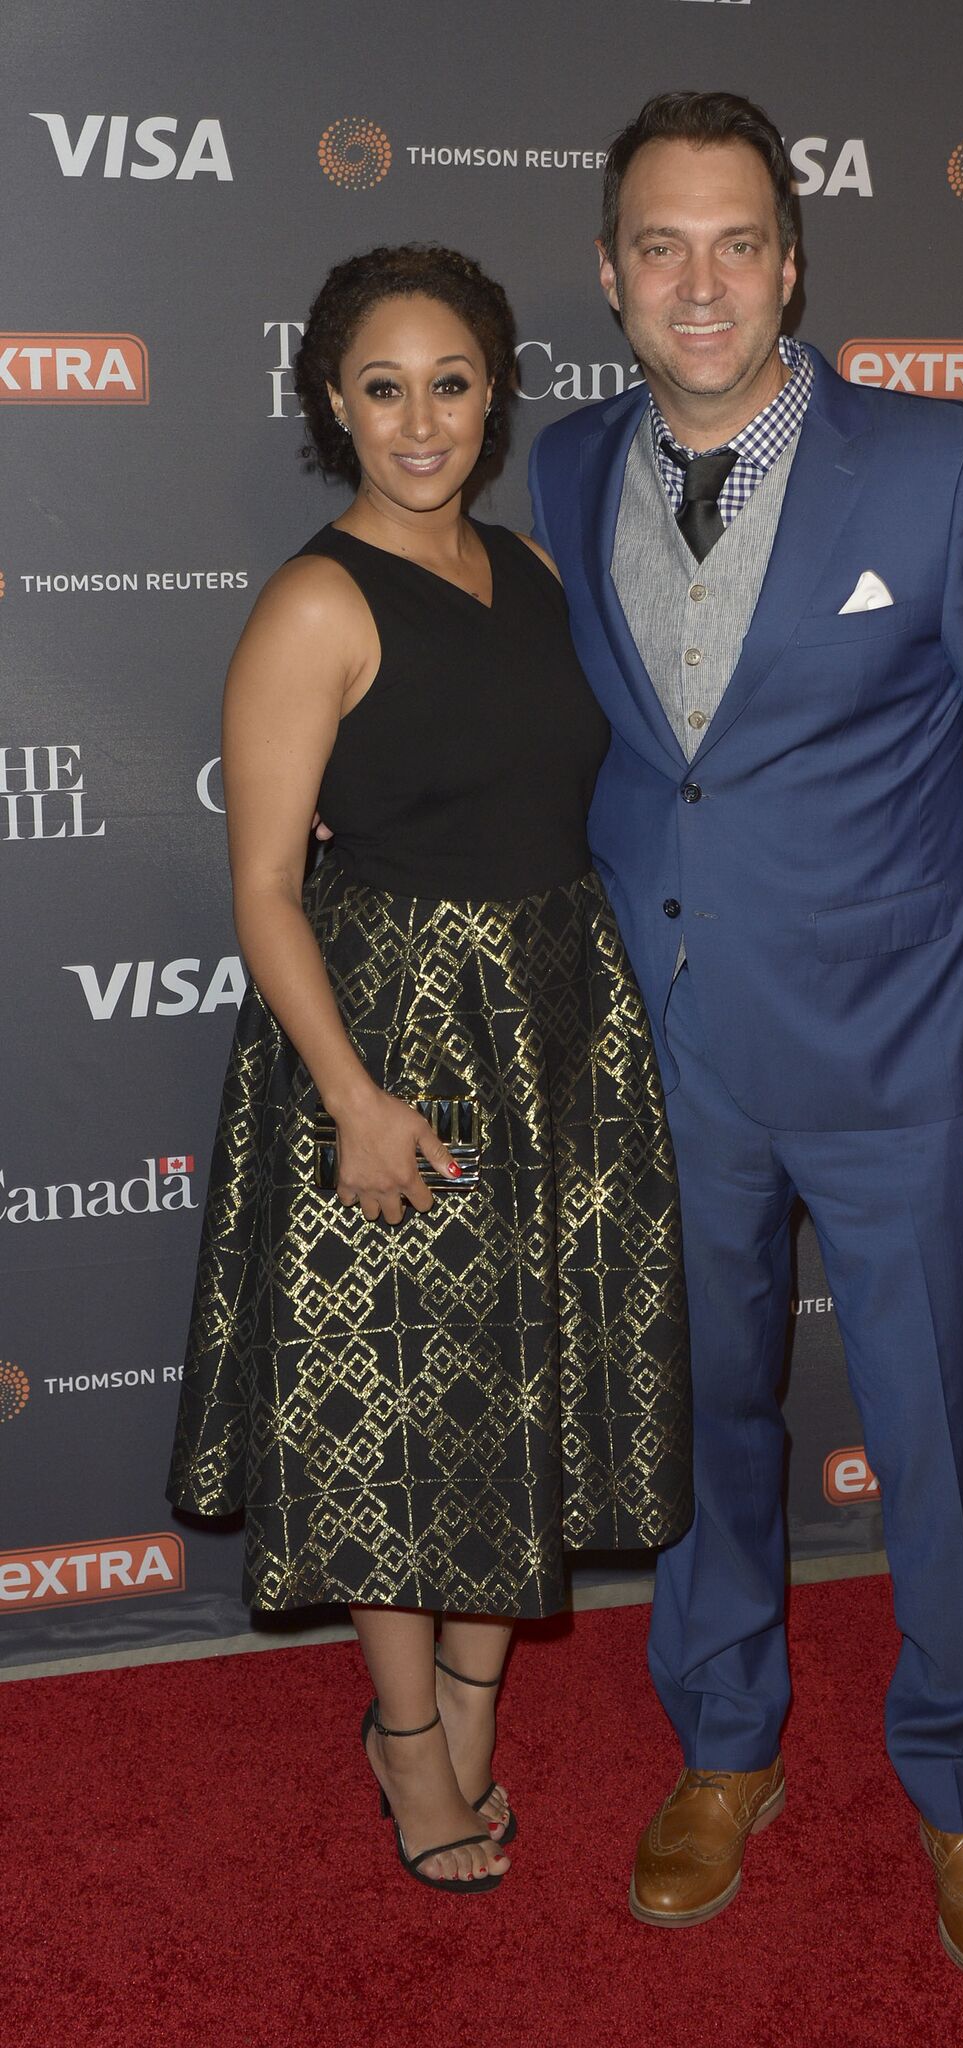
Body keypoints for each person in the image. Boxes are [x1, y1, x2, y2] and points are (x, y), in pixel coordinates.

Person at [528, 92, 963, 1977]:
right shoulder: (556, 467)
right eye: (659, 247)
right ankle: (723, 1746)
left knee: (939, 1433)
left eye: (737, 244)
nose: (700, 285)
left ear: (792, 261)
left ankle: (961, 1788)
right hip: (667, 1050)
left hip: (901, 1057)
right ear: (609, 277)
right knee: (704, 1426)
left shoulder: (938, 468)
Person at [167, 243, 691, 1897]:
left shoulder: (533, 570)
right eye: (381, 388)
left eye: (450, 384)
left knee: (509, 1391)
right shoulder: (315, 601)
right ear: (333, 400)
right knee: (394, 1410)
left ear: (493, 394)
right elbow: (262, 887)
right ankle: (407, 1743)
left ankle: (472, 1702)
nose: (419, 420)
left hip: (550, 1027)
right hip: (385, 1041)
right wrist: (352, 1098)